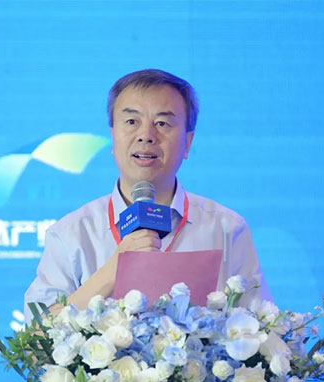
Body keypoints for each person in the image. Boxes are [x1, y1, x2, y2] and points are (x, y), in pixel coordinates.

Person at [24, 69, 271, 322]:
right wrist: (113, 271)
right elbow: (36, 336)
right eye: (132, 122)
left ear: (187, 142)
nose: (146, 136)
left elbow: (263, 331)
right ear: (113, 135)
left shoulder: (227, 229)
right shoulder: (71, 234)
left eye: (162, 123)